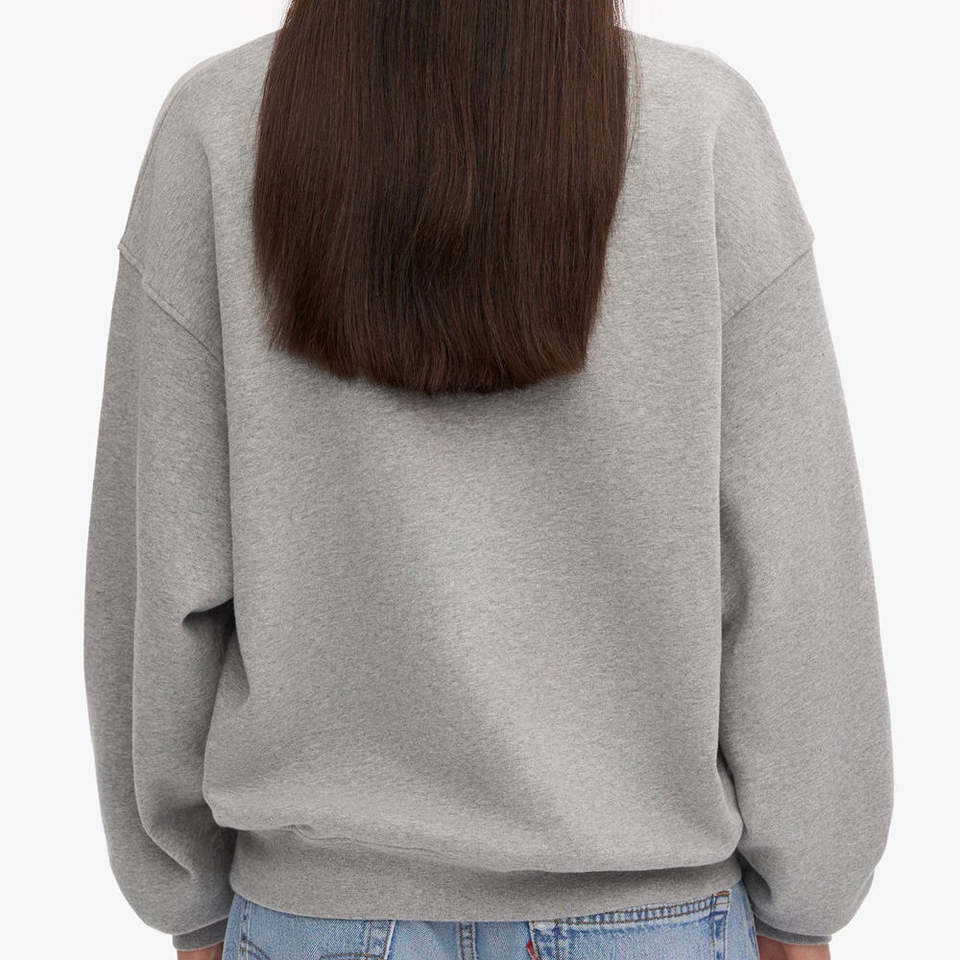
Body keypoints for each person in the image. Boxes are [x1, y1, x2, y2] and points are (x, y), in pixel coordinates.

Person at [83, 3, 893, 959]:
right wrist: (809, 897)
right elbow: (794, 573)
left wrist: (182, 893)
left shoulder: (216, 129)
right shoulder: (700, 127)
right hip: (650, 914)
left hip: (316, 912)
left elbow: (152, 564)